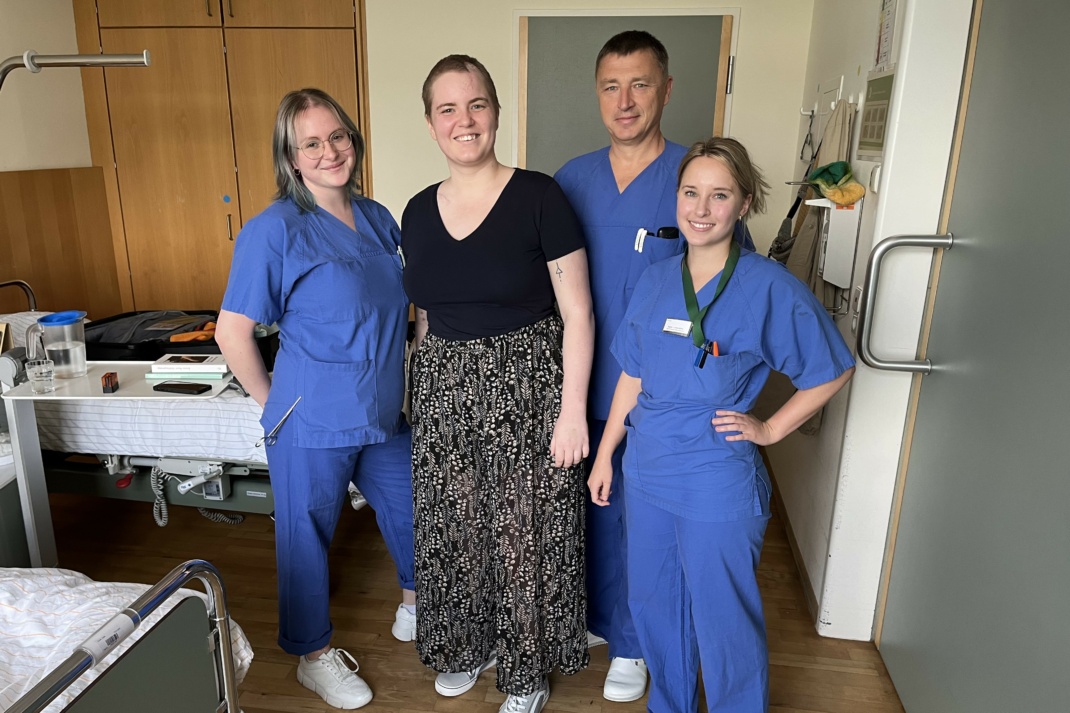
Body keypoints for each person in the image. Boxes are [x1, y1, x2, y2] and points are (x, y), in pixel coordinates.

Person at [587, 137, 855, 712]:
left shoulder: (768, 286)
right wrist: (608, 452)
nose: (701, 209)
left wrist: (771, 429)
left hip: (715, 472)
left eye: (719, 195)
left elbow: (830, 369)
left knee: (723, 618)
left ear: (744, 204)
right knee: (655, 605)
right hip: (648, 466)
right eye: (690, 192)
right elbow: (633, 372)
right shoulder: (658, 279)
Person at [553, 30, 754, 703]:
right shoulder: (571, 181)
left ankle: (635, 643)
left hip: (668, 394)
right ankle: (594, 622)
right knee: (593, 509)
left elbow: (736, 288)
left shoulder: (693, 178)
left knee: (650, 529)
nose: (625, 99)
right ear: (598, 94)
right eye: (611, 86)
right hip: (585, 380)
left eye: (640, 84)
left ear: (667, 89)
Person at [401, 55, 594, 713]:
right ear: (431, 123)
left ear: (496, 112)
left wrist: (573, 414)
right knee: (457, 528)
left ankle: (525, 671)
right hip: (444, 387)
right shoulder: (418, 211)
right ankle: (467, 644)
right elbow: (425, 313)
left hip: (528, 384)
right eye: (448, 108)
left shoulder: (540, 196)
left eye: (477, 104)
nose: (465, 120)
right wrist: (421, 398)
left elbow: (578, 312)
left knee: (522, 532)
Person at [215, 88, 416, 710]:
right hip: (310, 417)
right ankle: (311, 653)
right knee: (304, 537)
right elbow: (231, 331)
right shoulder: (273, 230)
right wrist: (273, 405)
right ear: (291, 158)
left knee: (416, 507)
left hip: (382, 410)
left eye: (338, 137)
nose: (330, 151)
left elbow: (407, 308)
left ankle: (417, 600)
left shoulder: (379, 216)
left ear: (354, 140)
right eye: (311, 143)